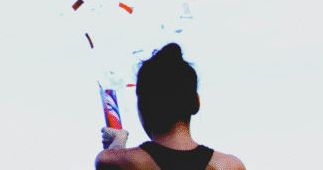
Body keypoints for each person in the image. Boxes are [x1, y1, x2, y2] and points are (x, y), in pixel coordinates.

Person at [94, 43, 246, 170]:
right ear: (196, 103)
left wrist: (117, 142)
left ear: (142, 107)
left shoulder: (113, 161)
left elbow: (115, 160)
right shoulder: (230, 166)